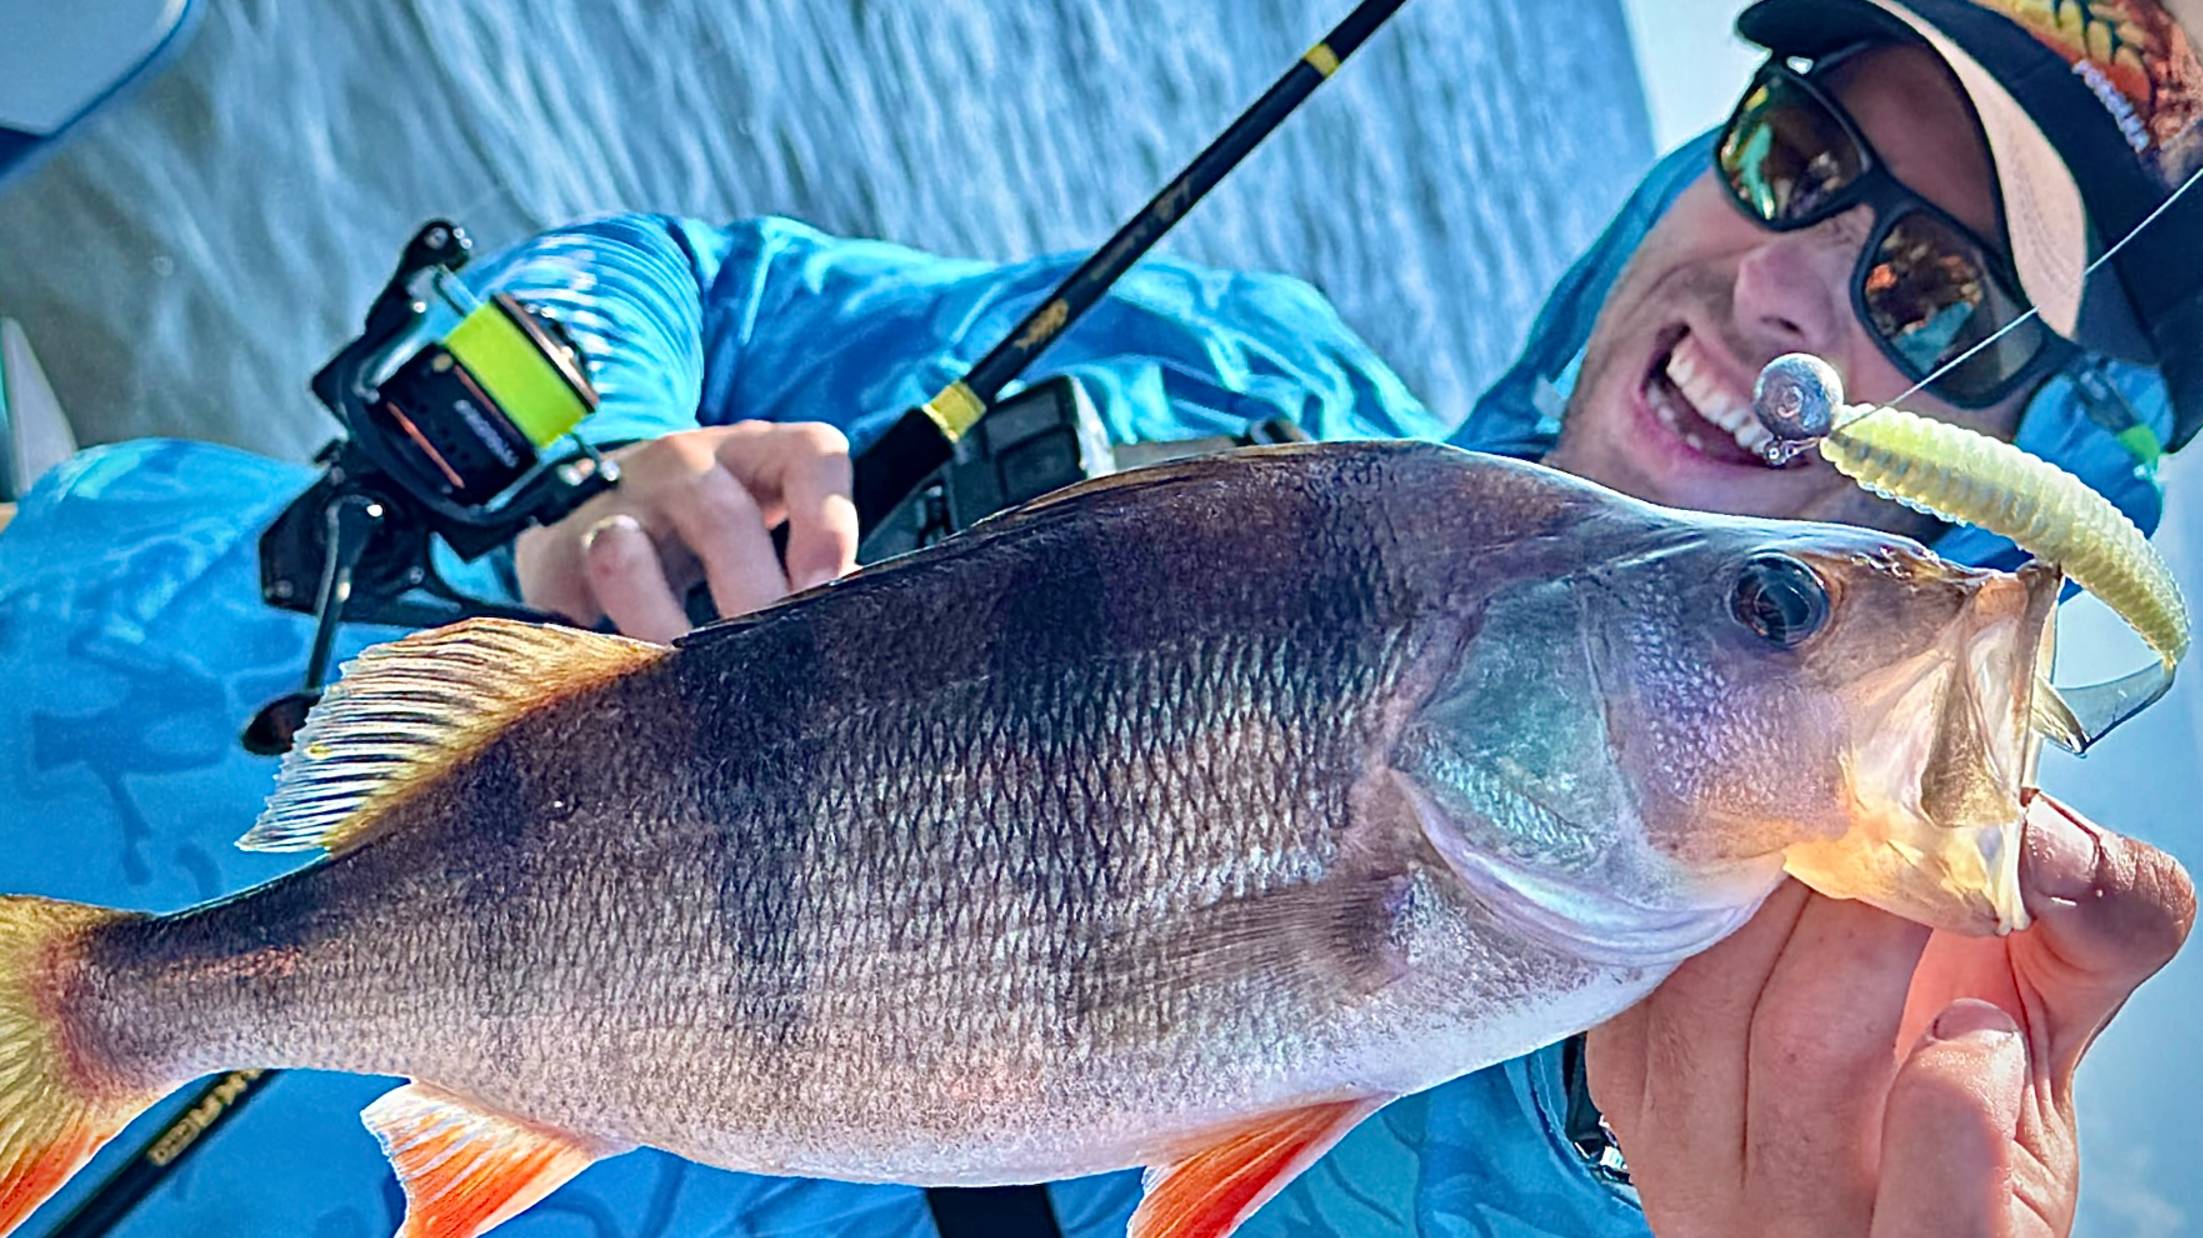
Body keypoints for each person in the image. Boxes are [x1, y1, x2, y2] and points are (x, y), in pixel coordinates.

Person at [0, 0, 2193, 1235]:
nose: (1799, 278)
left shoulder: (1660, 1116)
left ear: (2034, 464)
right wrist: (578, 447)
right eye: (1801, 156)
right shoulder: (1226, 368)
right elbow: (676, 273)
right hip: (88, 594)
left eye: (1937, 300)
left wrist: (1618, 1151)